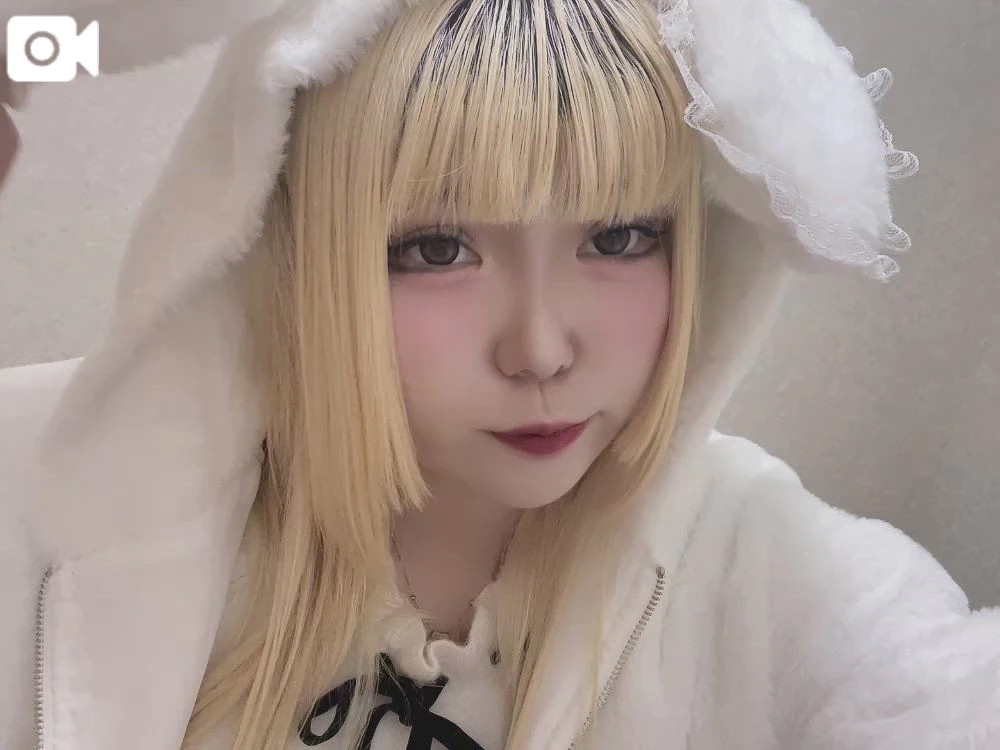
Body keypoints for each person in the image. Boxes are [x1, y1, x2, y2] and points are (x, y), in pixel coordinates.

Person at [0, 0, 997, 749]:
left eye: (619, 236)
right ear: (301, 254)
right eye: (437, 250)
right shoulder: (40, 494)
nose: (542, 350)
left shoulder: (762, 565)